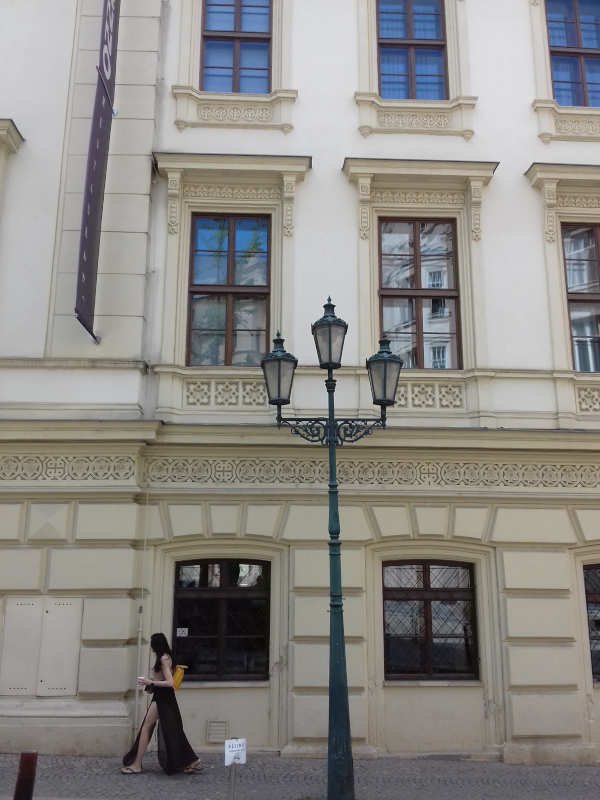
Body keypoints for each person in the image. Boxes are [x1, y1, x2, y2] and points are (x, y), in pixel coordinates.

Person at [121, 632, 202, 775]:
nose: (151, 647)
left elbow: (170, 682)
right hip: (161, 697)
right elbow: (162, 680)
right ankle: (192, 760)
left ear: (156, 645)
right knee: (172, 730)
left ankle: (137, 765)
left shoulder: (164, 658)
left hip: (163, 698)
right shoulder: (164, 657)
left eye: (152, 644)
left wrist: (150, 682)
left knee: (148, 727)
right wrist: (150, 685)